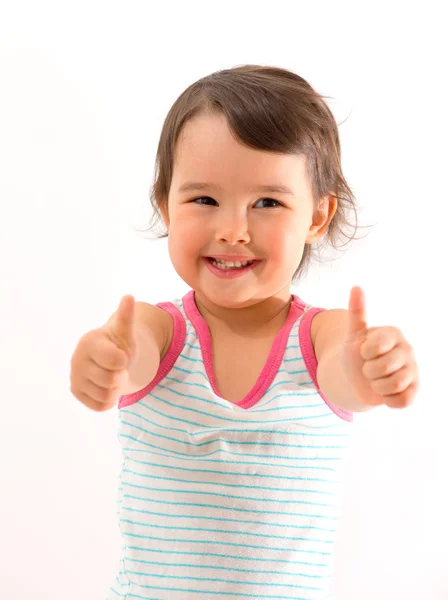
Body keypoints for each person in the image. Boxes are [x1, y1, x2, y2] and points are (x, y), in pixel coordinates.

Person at [70, 65, 419, 600]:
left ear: (316, 218)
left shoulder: (325, 337)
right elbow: (132, 349)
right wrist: (105, 359)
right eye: (203, 200)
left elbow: (344, 375)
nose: (233, 229)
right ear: (165, 203)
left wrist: (370, 368)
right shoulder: (158, 330)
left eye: (267, 203)